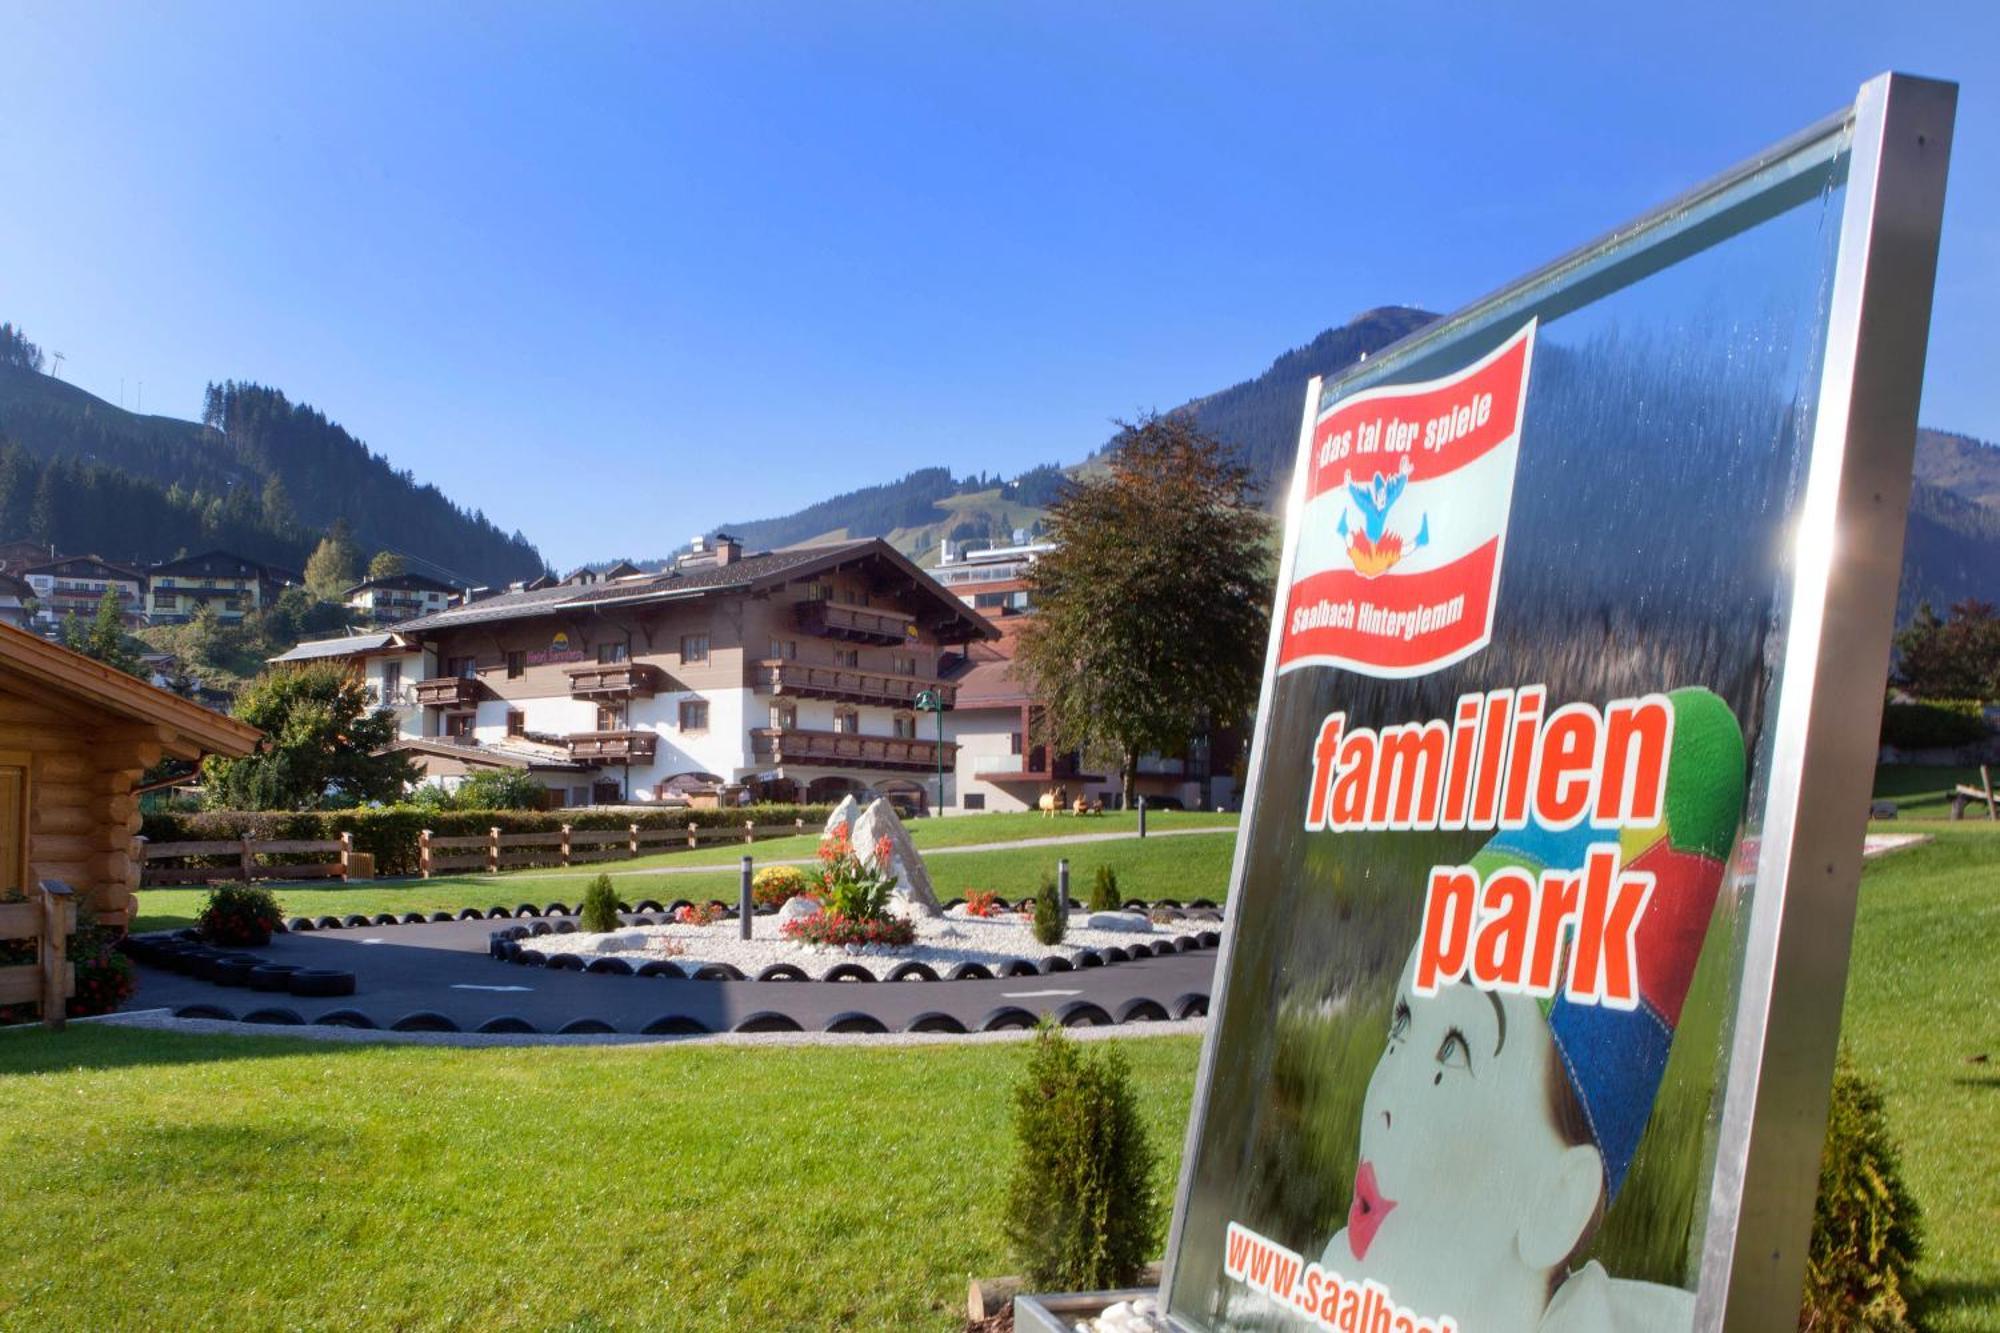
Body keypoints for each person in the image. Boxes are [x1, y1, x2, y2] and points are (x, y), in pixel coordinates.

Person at [1319, 686, 1745, 1333]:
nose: (1383, 1094)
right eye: (1401, 1026)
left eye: (1453, 1052)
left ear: (1560, 1199)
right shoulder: (1318, 1295)